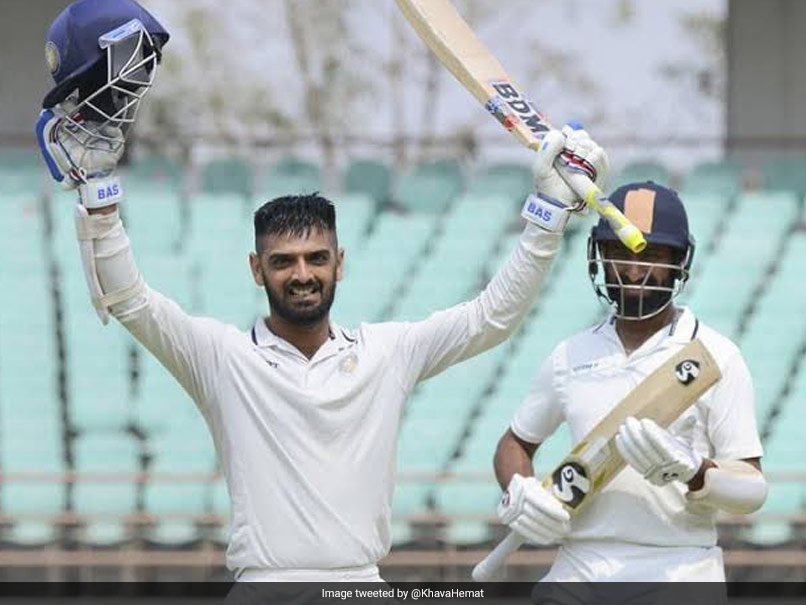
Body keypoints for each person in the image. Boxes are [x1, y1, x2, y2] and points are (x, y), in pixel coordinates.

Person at [35, 0, 611, 582]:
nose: (302, 274)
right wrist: (97, 194)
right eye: (283, 262)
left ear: (340, 263)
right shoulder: (222, 358)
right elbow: (130, 300)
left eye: (316, 259)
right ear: (256, 269)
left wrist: (549, 214)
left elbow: (493, 319)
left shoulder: (388, 353)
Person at [493, 181, 768, 582]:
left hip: (681, 567)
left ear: (679, 260)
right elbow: (515, 443)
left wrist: (695, 470)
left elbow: (752, 493)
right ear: (600, 256)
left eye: (651, 254)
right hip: (581, 564)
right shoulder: (570, 354)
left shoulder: (715, 356)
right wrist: (519, 490)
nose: (635, 270)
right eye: (621, 252)